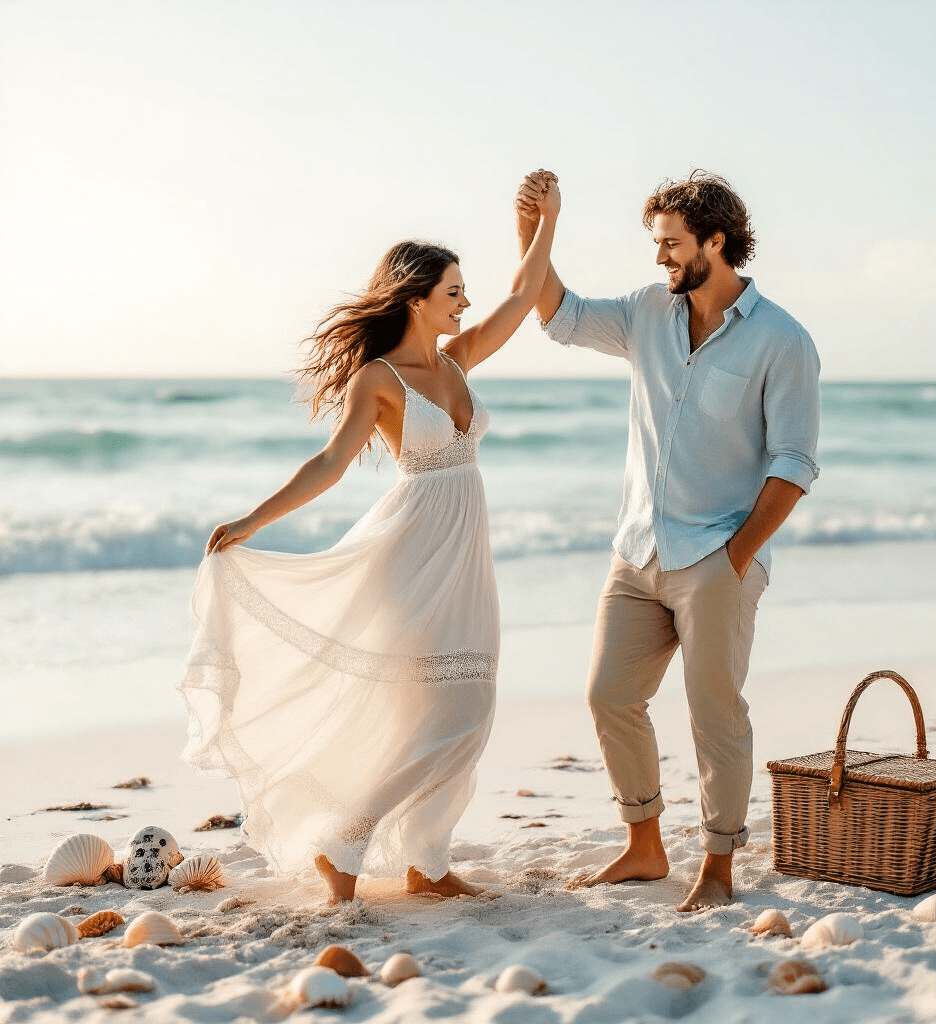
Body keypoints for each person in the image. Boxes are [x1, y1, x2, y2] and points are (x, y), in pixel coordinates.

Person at [179, 177, 561, 904]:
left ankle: (426, 863)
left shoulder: (457, 361)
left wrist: (547, 223)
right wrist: (257, 520)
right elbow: (329, 462)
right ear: (416, 297)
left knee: (462, 708)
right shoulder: (379, 380)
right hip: (409, 553)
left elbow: (524, 295)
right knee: (449, 713)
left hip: (464, 557)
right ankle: (344, 847)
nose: (466, 303)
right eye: (454, 291)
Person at [515, 168, 820, 911]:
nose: (660, 258)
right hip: (638, 552)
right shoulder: (647, 313)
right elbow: (554, 311)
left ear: (717, 242)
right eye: (657, 244)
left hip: (716, 557)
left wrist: (736, 558)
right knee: (609, 695)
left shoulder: (783, 341)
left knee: (715, 710)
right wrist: (535, 225)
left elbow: (794, 464)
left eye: (672, 244)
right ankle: (645, 847)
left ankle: (717, 865)